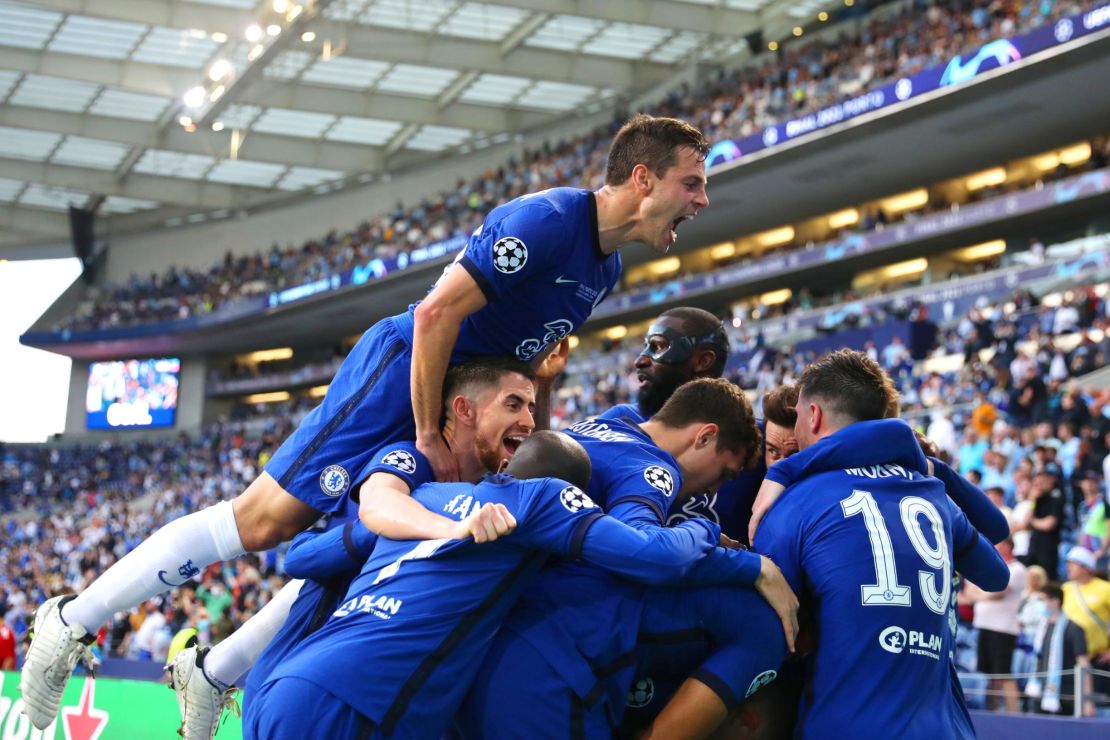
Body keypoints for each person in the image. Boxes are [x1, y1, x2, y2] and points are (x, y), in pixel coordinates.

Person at [21, 113, 712, 730]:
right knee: (264, 522)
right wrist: (425, 433)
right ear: (643, 178)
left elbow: (517, 361)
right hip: (404, 379)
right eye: (692, 183)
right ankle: (69, 623)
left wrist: (526, 415)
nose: (702, 201)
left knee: (366, 550)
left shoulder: (607, 266)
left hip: (457, 404)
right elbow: (433, 315)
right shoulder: (547, 222)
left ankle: (214, 670)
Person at [245, 431, 731, 739]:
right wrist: (709, 528)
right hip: (357, 702)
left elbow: (304, 557)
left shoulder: (424, 497)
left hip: (284, 685)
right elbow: (657, 557)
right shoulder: (539, 501)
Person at [170, 356, 534, 739]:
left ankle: (215, 669)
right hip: (306, 696)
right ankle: (212, 671)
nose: (529, 419)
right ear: (463, 410)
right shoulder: (409, 464)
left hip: (377, 703)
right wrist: (410, 530)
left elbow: (538, 454)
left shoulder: (491, 494)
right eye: (514, 404)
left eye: (530, 406)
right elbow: (301, 555)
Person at [458, 379, 799, 737]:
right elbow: (647, 552)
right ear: (704, 437)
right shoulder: (653, 471)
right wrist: (732, 549)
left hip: (480, 632)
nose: (714, 490)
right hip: (545, 664)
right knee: (760, 625)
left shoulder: (608, 422)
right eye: (723, 474)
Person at [753, 350, 1010, 739]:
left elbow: (769, 634)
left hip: (845, 724)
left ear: (814, 416)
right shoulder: (935, 496)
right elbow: (996, 574)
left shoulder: (792, 502)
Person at [960, 539, 1026, 713]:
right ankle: (992, 712)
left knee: (1003, 674)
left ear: (1007, 546)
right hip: (985, 625)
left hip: (1003, 628)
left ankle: (1014, 715)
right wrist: (983, 594)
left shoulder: (1017, 569)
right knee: (989, 675)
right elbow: (969, 591)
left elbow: (998, 592)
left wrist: (979, 594)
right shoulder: (995, 569)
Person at [1026, 583, 1096, 716]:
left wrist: (1088, 701)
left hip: (1066, 696)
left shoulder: (1074, 629)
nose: (1039, 604)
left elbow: (1084, 664)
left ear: (1055, 601)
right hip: (1041, 693)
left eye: (1042, 599)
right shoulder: (1042, 628)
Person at [1061, 546, 1110, 691]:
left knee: (1097, 703)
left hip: (1097, 657)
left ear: (1085, 567)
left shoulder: (1105, 588)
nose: (1068, 567)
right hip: (1070, 657)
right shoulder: (1066, 588)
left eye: (1073, 564)